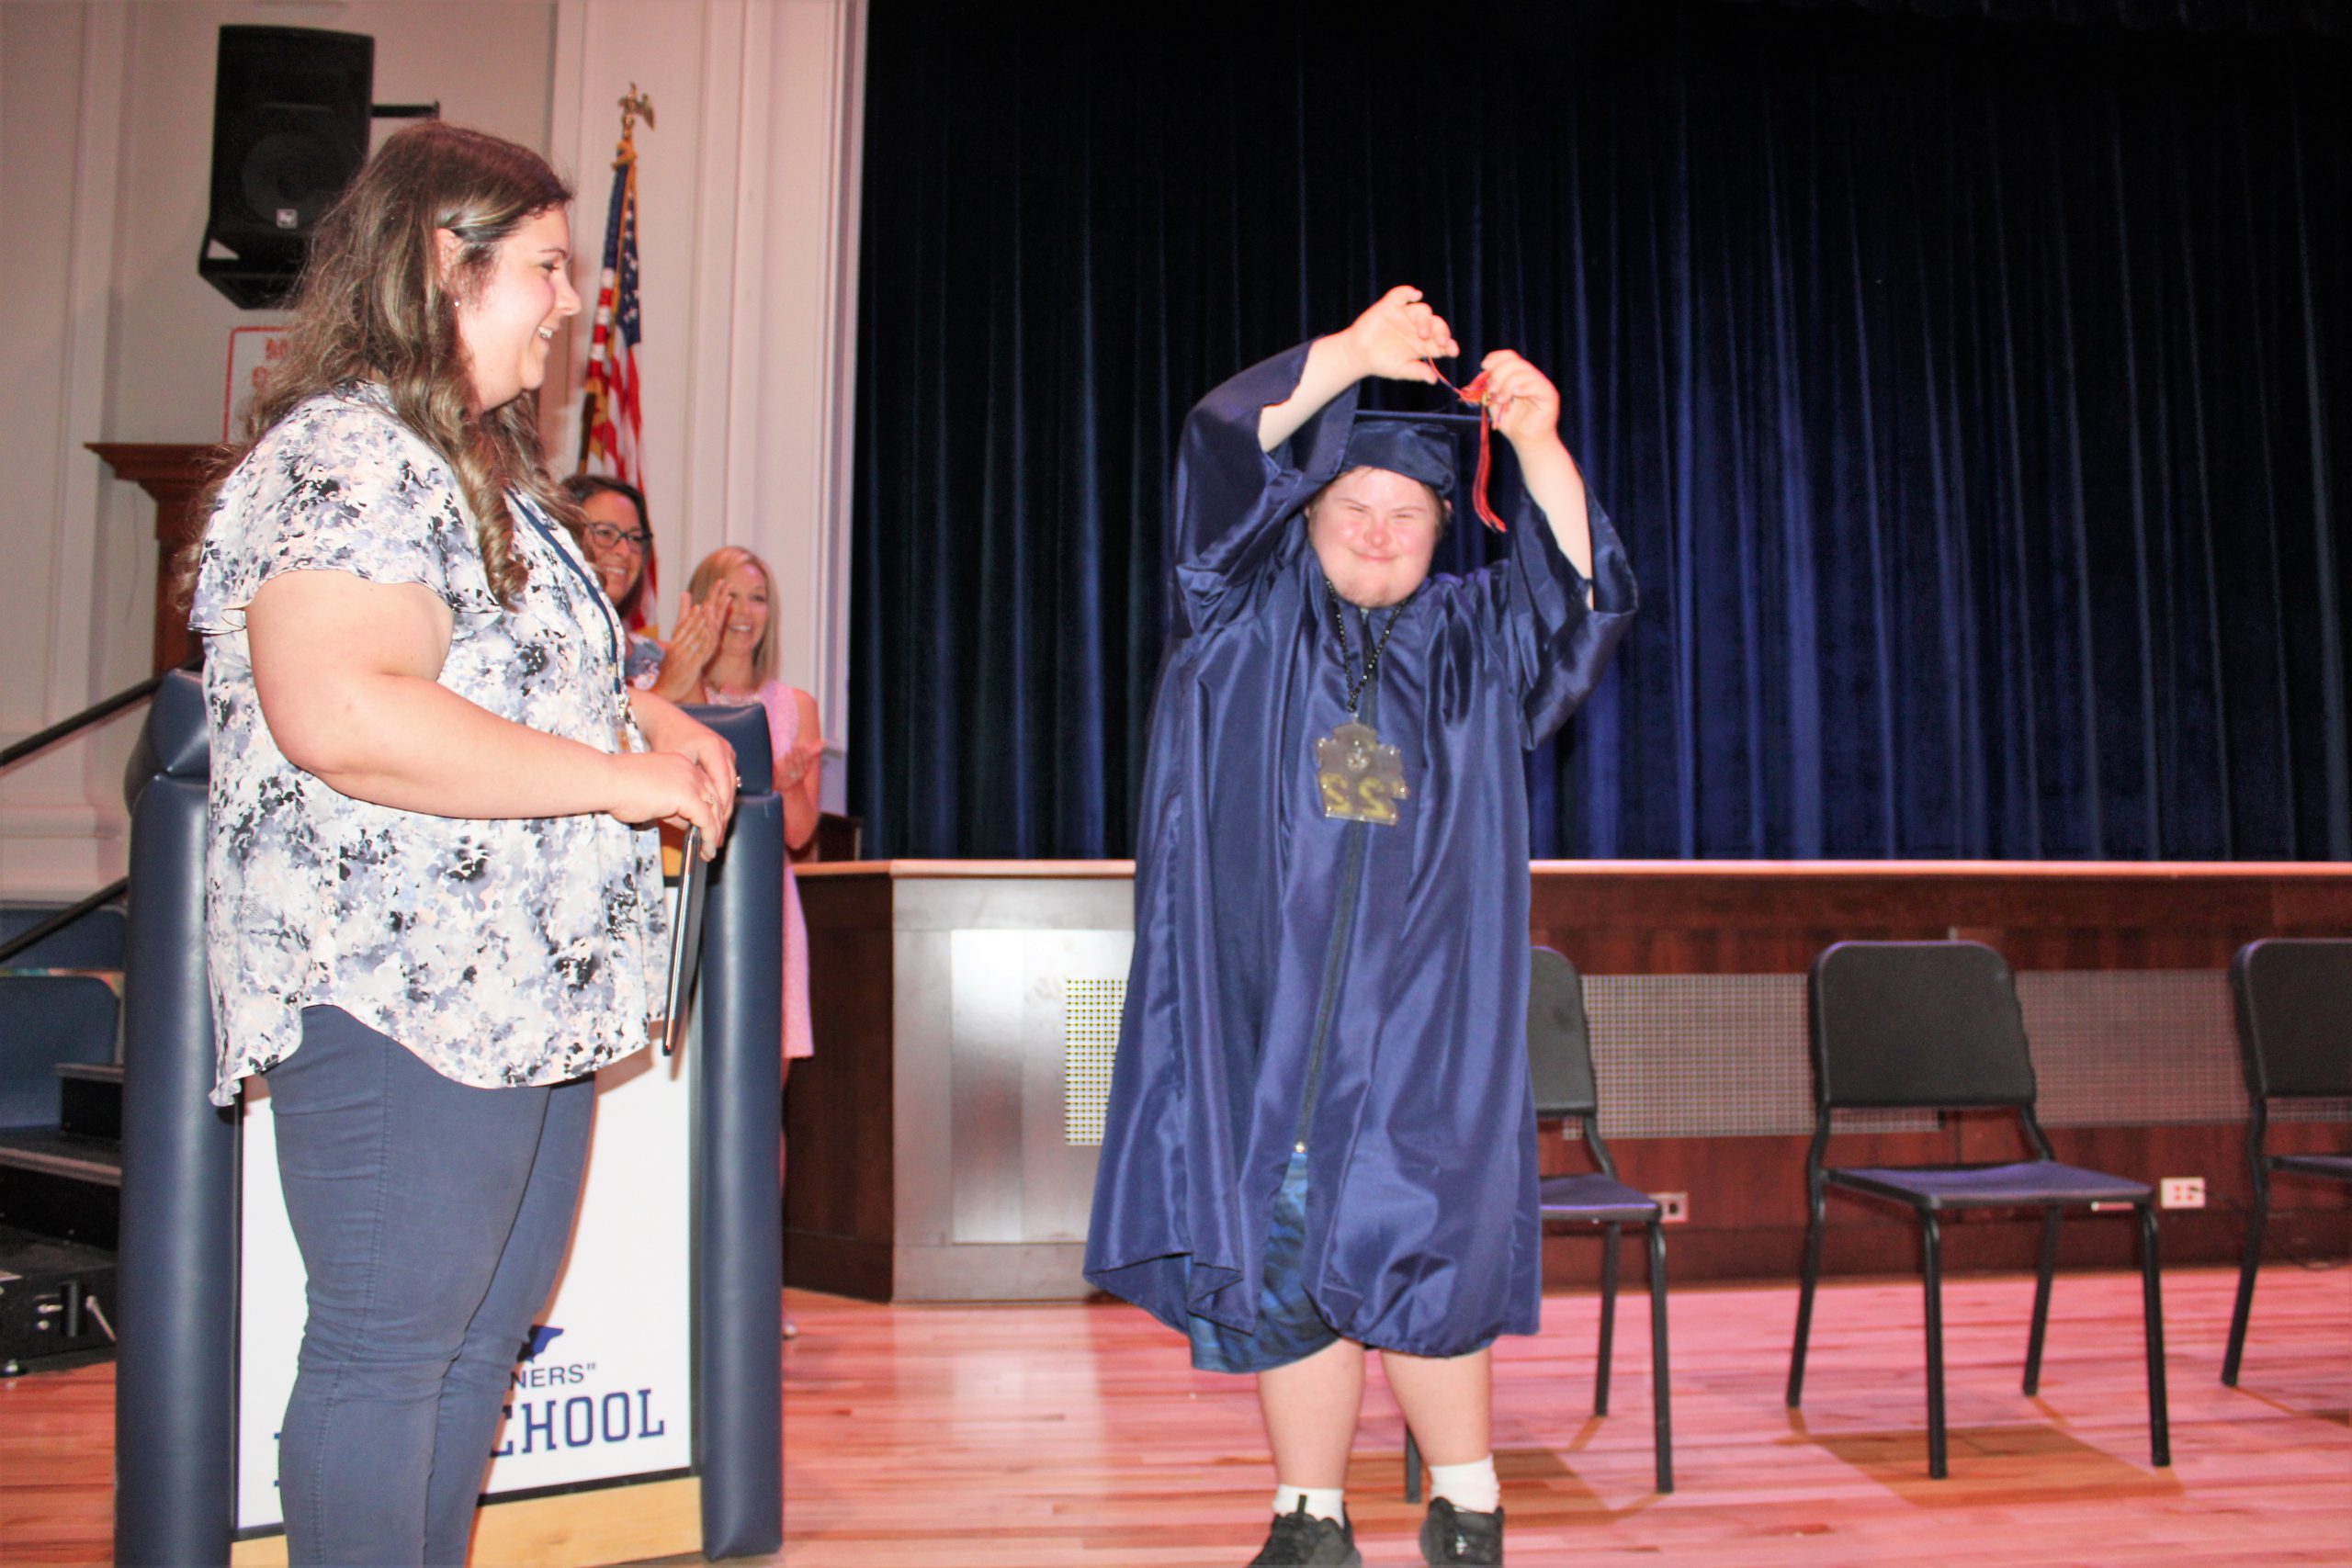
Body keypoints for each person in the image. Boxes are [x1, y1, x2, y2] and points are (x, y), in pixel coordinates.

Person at [186, 121, 736, 1566]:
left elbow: (512, 669)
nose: (566, 302)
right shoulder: (343, 455)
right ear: (446, 262)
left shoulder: (474, 469)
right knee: (391, 1351)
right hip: (397, 989)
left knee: (475, 1350)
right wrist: (612, 784)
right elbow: (344, 708)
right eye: (547, 267)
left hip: (519, 992)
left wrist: (647, 720)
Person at [1084, 287, 1636, 1567]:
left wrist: (1541, 443)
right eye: (1355, 509)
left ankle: (1469, 1501)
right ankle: (1310, 1512)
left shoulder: (1476, 641)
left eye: (1410, 515)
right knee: (1291, 1254)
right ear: (1307, 518)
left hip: (1433, 1020)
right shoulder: (1241, 614)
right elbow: (1221, 449)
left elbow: (1587, 597)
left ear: (1445, 530)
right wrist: (1347, 358)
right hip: (1271, 1024)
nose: (1383, 532)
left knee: (1424, 1244)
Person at [667, 545, 823, 1333]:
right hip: (687, 903)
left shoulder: (793, 702)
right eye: (727, 593)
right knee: (682, 1097)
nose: (743, 609)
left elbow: (796, 833)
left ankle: (761, 1283)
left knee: (765, 1108)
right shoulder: (664, 690)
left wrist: (793, 773)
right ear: (698, 605)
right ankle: (680, 1272)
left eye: (758, 595)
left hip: (768, 911)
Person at [559, 473, 666, 689]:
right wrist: (670, 684)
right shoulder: (551, 644)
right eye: (605, 533)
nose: (625, 551)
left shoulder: (655, 656)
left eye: (634, 538)